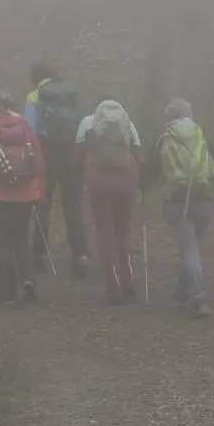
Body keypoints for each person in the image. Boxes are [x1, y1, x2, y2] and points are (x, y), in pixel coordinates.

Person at [149, 97, 214, 318]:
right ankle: (183, 289)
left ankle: (198, 296)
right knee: (192, 247)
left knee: (189, 249)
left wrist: (141, 185)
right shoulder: (203, 135)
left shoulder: (165, 138)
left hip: (177, 201)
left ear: (169, 118)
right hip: (205, 199)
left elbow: (151, 172)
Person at [0, 91, 47, 304]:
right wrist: (40, 190)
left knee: (2, 241)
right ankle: (28, 280)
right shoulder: (24, 124)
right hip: (25, 192)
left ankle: (7, 293)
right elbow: (37, 160)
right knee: (21, 238)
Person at [74, 96, 143, 305]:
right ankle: (128, 282)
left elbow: (76, 158)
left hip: (100, 181)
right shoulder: (127, 122)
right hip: (125, 180)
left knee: (105, 232)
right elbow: (139, 155)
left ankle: (113, 286)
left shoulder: (88, 122)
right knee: (124, 230)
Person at [23, 63, 90, 278]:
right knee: (73, 205)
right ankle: (81, 255)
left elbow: (30, 130)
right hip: (71, 153)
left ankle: (39, 256)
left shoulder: (34, 97)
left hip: (46, 153)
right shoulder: (71, 93)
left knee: (43, 204)